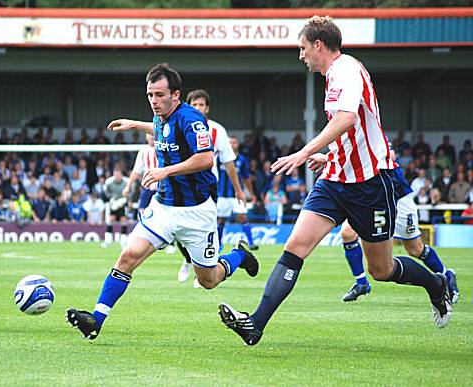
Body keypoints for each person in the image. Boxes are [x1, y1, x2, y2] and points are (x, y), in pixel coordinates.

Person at [218, 17, 452, 347]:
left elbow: (347, 119)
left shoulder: (347, 69)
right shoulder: (333, 76)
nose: (300, 56)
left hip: (371, 183)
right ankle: (255, 324)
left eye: (302, 48)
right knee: (294, 248)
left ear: (318, 45)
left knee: (381, 270)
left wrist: (303, 152)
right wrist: (328, 158)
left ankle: (436, 285)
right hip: (334, 179)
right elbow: (349, 132)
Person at [66, 63, 258, 340]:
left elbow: (205, 158)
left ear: (176, 95)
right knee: (128, 256)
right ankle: (96, 320)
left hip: (197, 212)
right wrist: (134, 124)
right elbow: (162, 129)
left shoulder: (191, 119)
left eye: (159, 95)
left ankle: (239, 255)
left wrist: (165, 171)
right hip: (164, 206)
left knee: (209, 280)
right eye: (150, 95)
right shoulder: (162, 118)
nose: (154, 101)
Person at [309, 152, 460, 304]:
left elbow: (389, 156)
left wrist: (329, 158)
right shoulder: (347, 137)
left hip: (397, 197)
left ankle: (446, 275)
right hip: (370, 197)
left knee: (415, 249)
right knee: (347, 233)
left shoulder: (370, 132)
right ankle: (361, 283)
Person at [177, 89, 248, 284]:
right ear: (188, 105)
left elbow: (228, 162)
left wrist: (238, 189)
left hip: (206, 188)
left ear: (207, 108)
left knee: (207, 231)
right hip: (181, 186)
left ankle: (205, 270)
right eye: (194, 104)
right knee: (177, 232)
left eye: (201, 104)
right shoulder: (178, 124)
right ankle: (188, 260)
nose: (198, 108)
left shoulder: (218, 131)